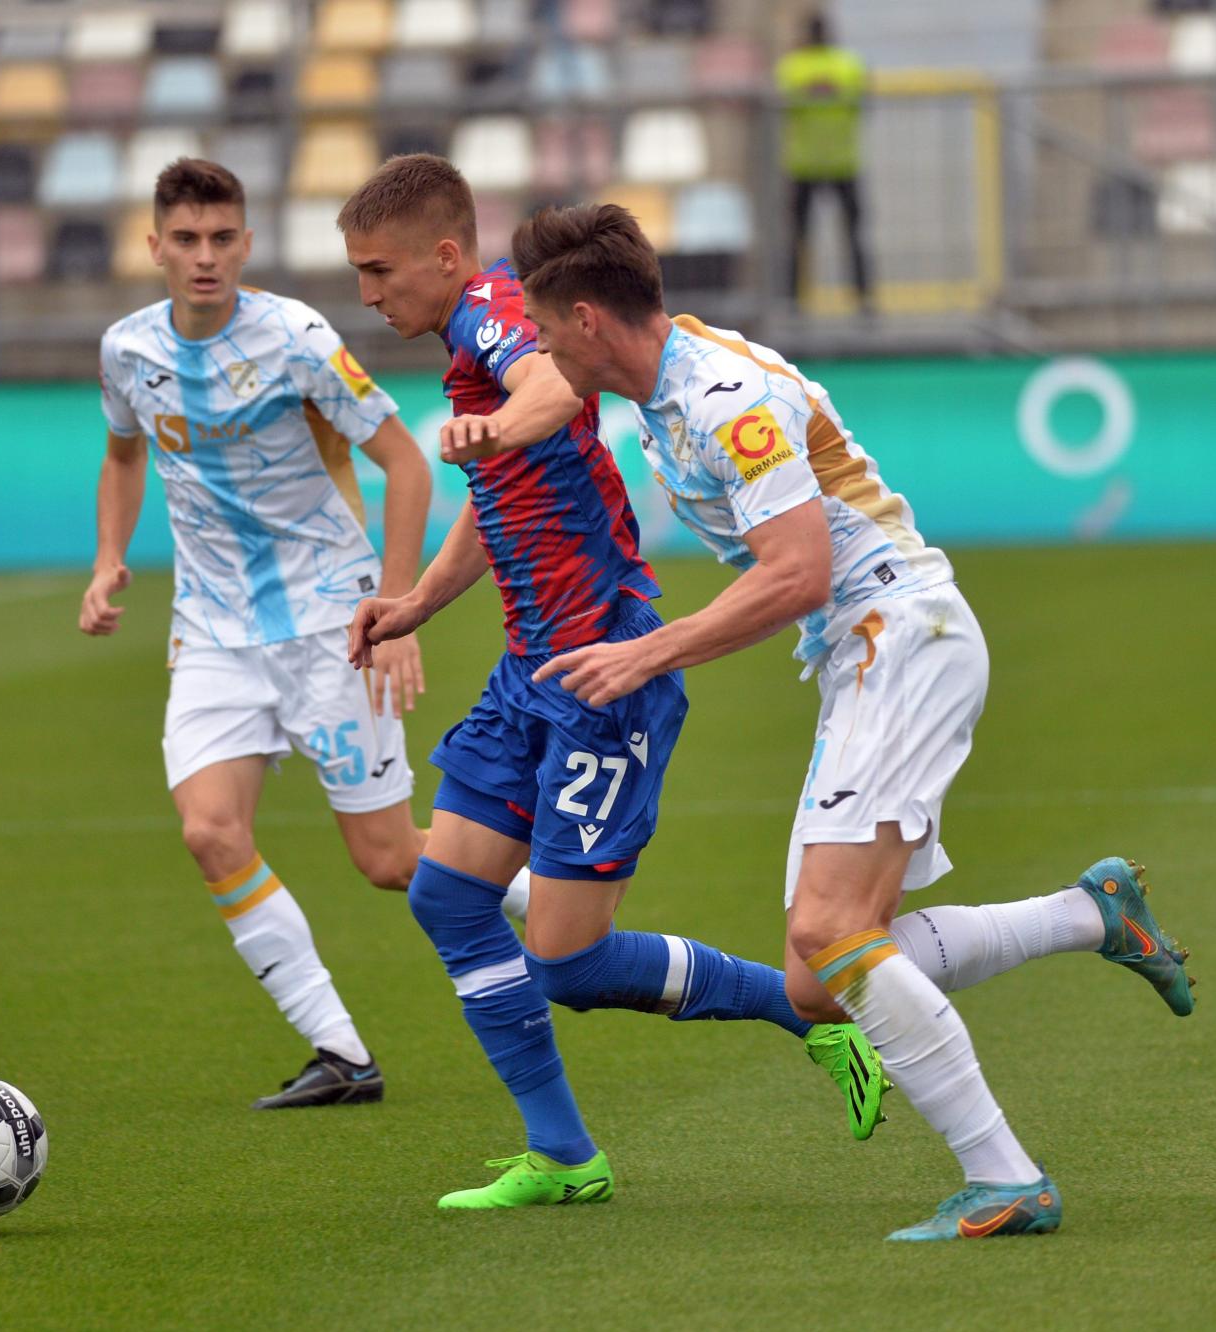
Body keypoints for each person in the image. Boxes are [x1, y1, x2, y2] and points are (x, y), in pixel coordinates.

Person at [508, 201, 1198, 1240]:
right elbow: (542, 401)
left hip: (898, 632)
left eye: (546, 325)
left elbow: (798, 572)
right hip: (868, 646)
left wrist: (647, 649)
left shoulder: (724, 399)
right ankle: (1090, 913)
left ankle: (1007, 1176)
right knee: (818, 977)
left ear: (590, 317)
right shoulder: (660, 376)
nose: (541, 345)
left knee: (832, 935)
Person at [337, 154, 889, 1210]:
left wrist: (500, 422)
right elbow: (494, 491)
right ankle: (562, 1154)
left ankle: (804, 1012)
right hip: (530, 663)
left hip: (605, 668)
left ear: (444, 258)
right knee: (448, 892)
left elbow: (543, 390)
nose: (369, 294)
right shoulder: (475, 337)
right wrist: (416, 600)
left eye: (378, 270)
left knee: (569, 963)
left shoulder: (502, 318)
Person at [81, 158, 527, 1111]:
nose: (206, 257)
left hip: (331, 620)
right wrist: (109, 557)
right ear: (155, 245)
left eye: (223, 238)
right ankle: (341, 1052)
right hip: (211, 633)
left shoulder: (299, 340)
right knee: (210, 832)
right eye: (187, 239)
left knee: (389, 862)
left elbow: (406, 467)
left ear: (246, 242)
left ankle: (557, 899)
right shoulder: (126, 350)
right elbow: (124, 457)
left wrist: (398, 607)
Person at [776, 11, 873, 313]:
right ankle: (864, 301)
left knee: (799, 239)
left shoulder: (792, 68)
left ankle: (793, 302)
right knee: (852, 236)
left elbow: (783, 108)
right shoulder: (848, 65)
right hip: (841, 161)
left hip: (806, 163)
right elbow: (862, 105)